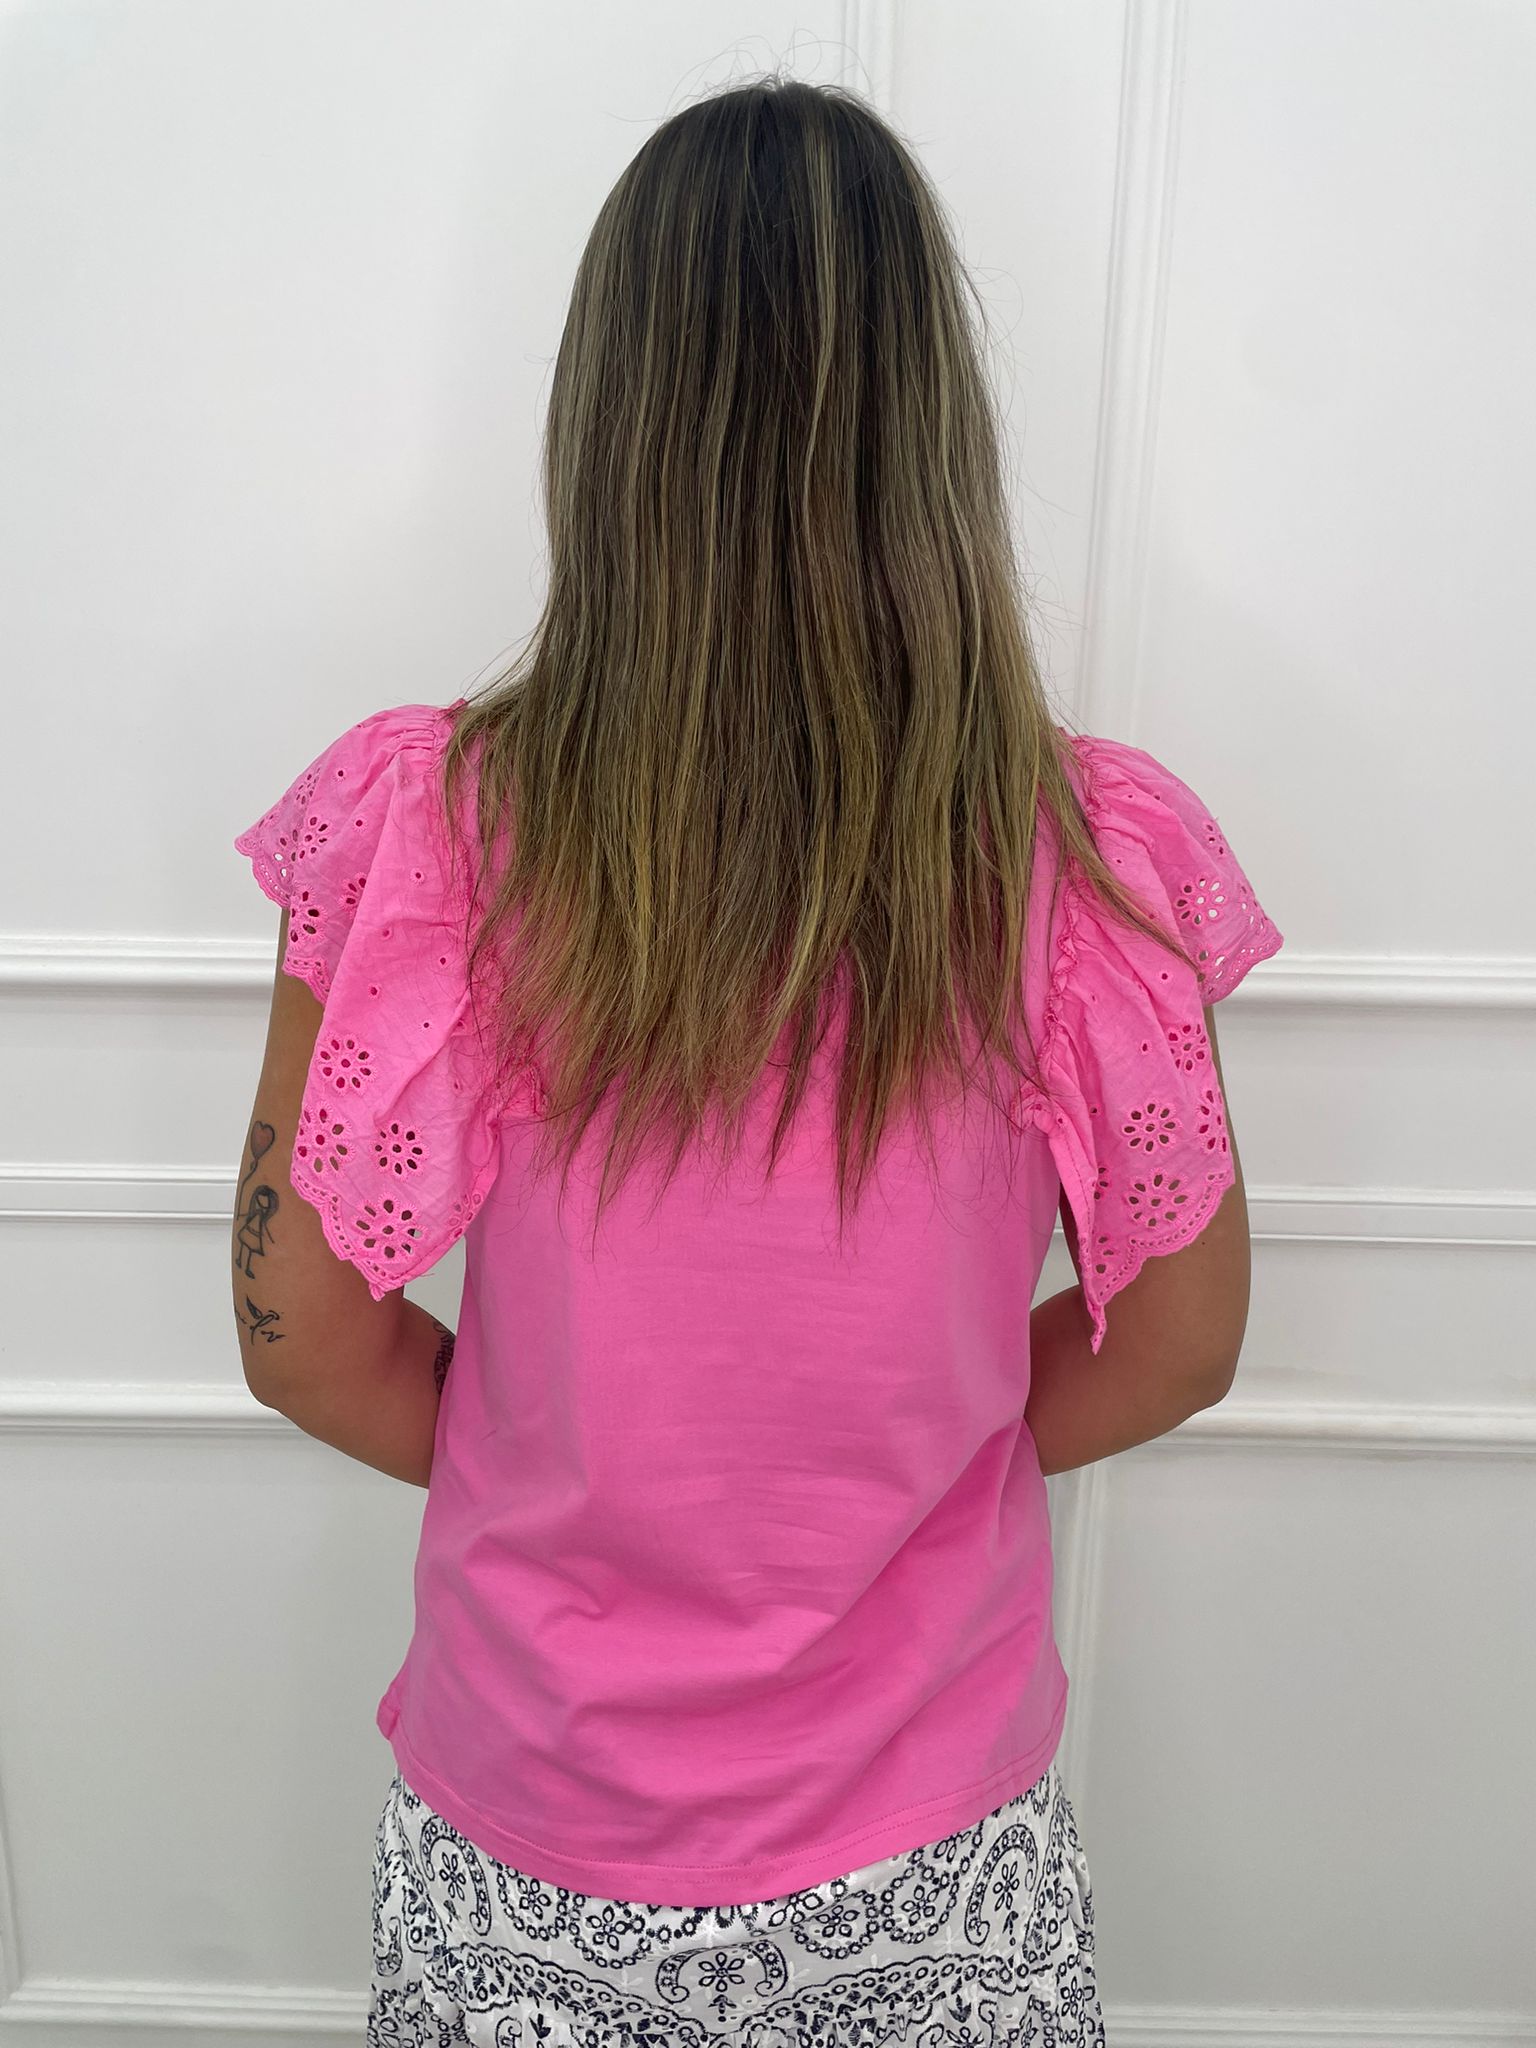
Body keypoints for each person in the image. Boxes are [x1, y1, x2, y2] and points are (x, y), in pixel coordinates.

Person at [231, 74, 1282, 2048]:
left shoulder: (433, 836)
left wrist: (548, 1452)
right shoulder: (1081, 862)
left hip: (531, 1832)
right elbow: (1180, 1340)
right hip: (935, 1859)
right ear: (932, 428)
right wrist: (908, 1475)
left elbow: (300, 1334)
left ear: (606, 418)